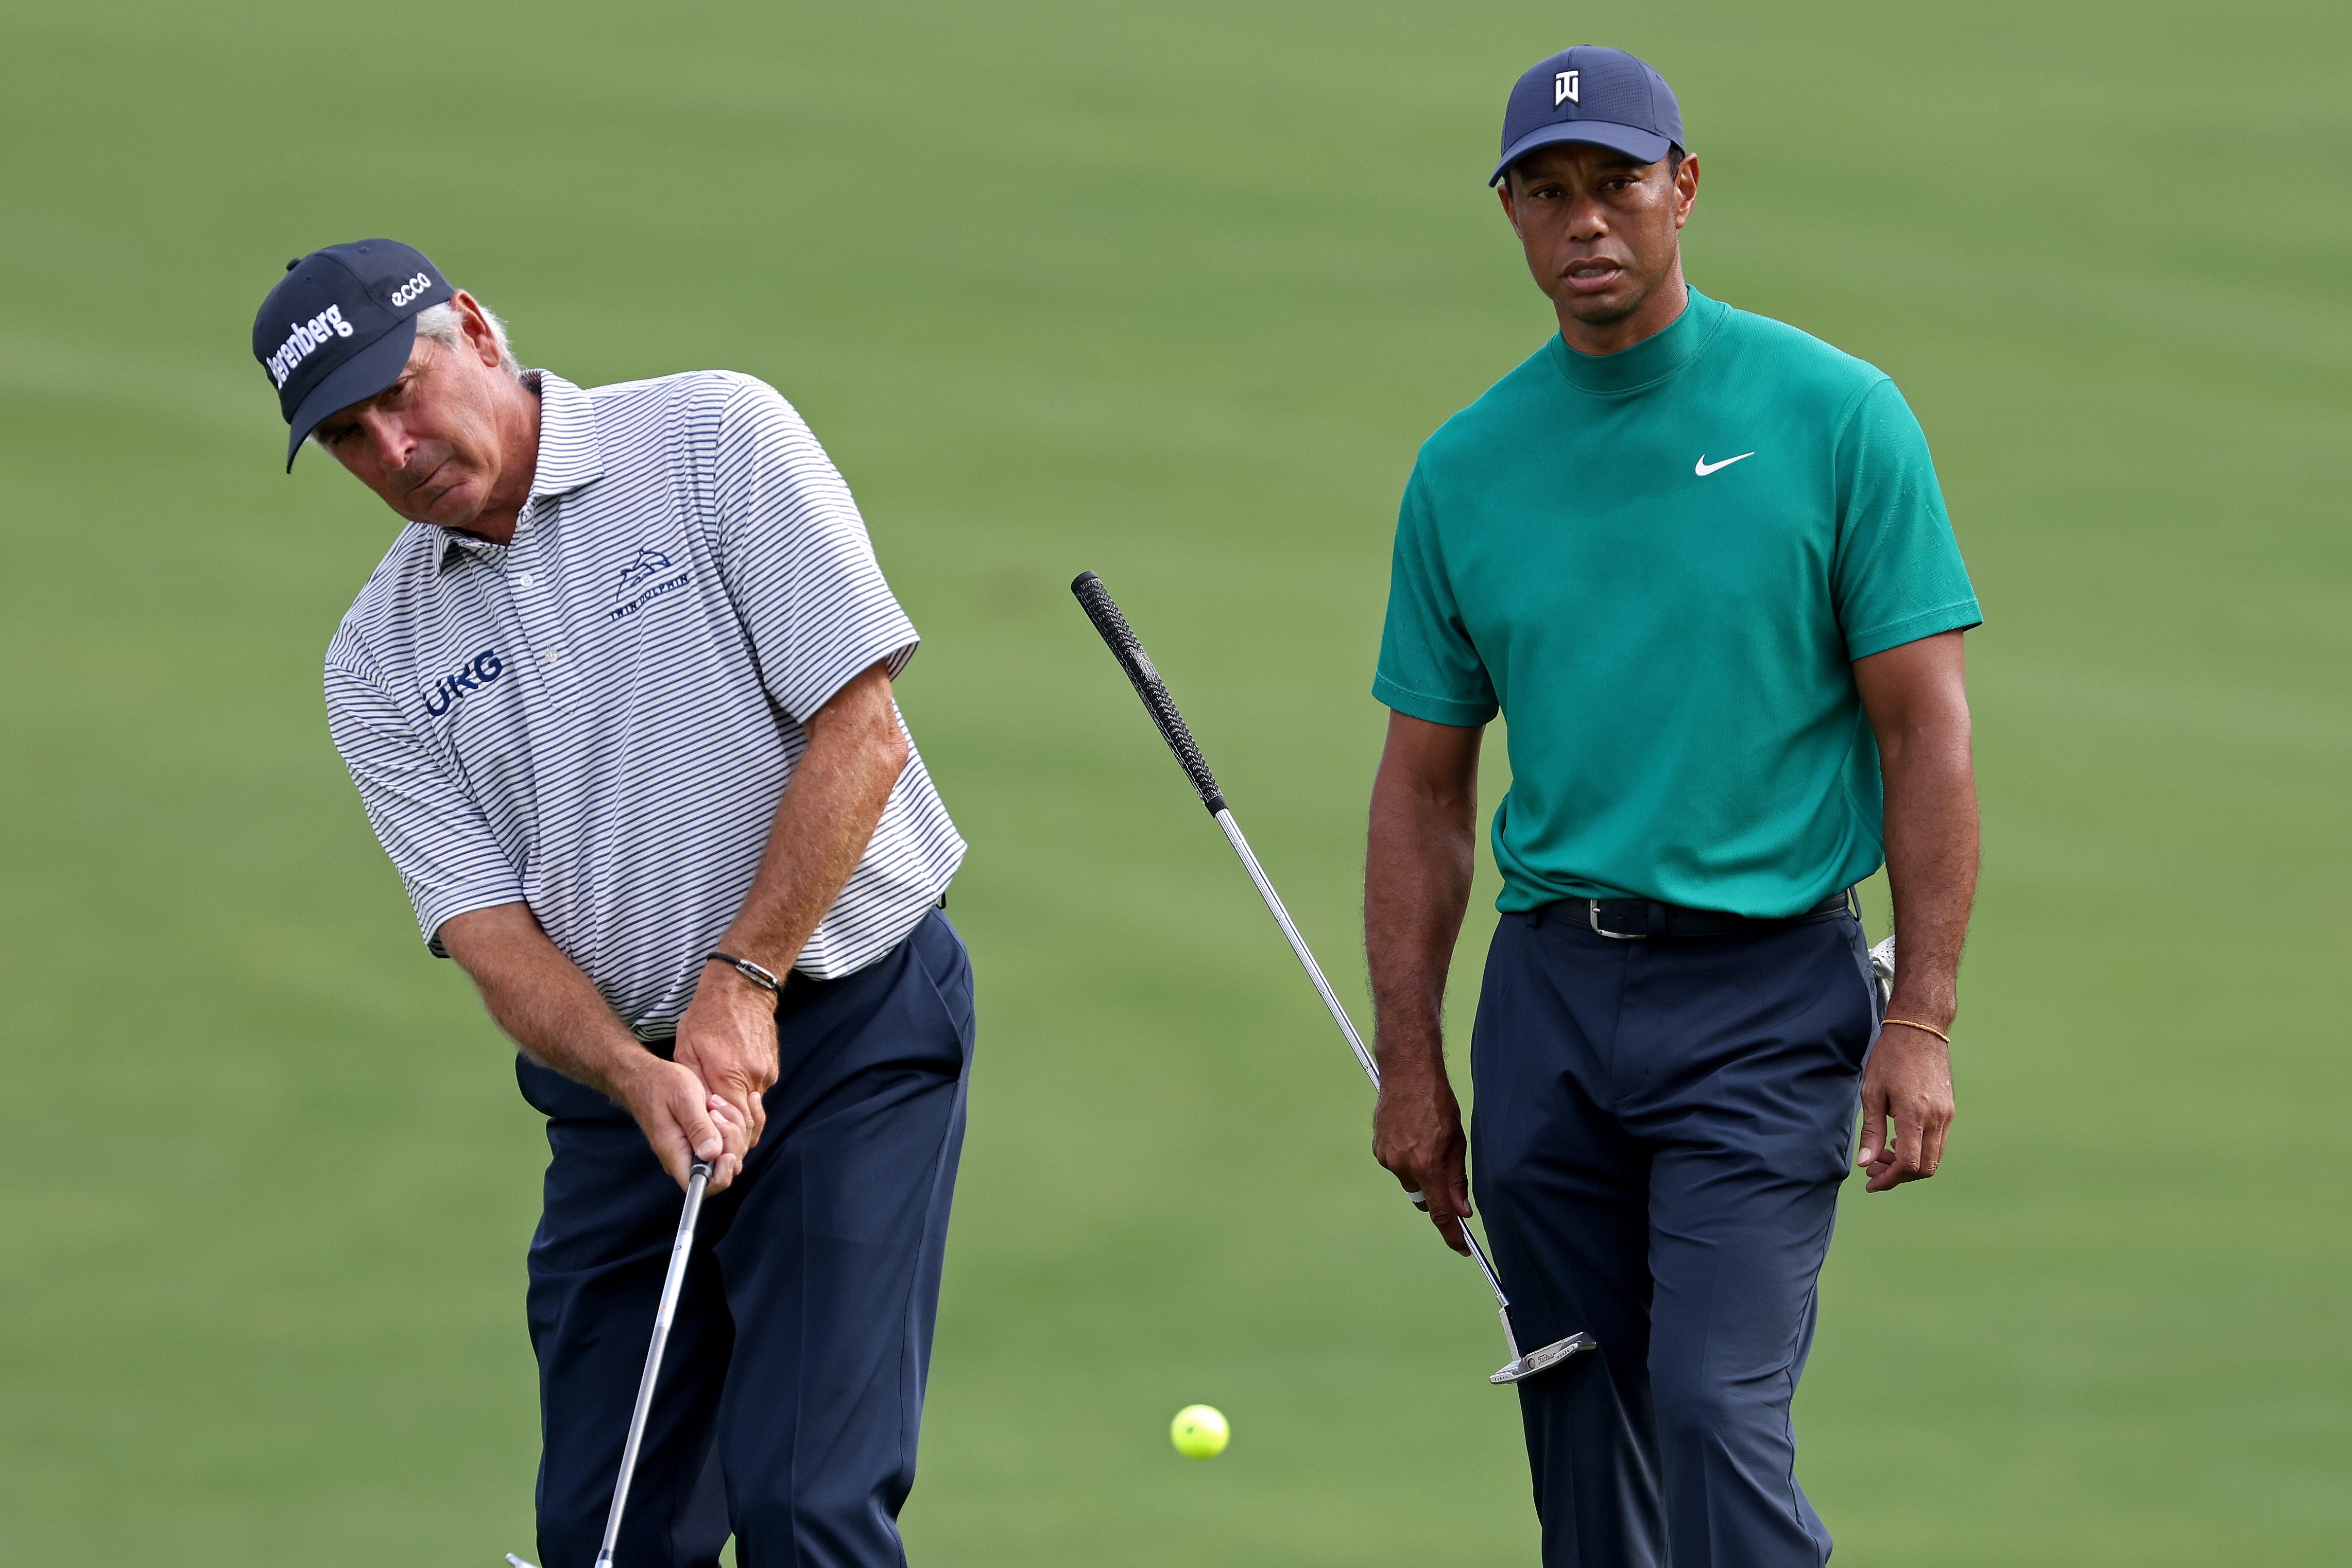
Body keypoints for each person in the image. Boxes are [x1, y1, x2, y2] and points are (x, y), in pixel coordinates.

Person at [251, 239, 972, 1567]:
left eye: (400, 393)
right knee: (602, 1533)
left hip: (846, 1033)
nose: (394, 449)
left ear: (475, 330)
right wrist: (635, 1080)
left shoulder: (709, 438)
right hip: (615, 1095)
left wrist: (744, 980)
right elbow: (484, 931)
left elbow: (862, 733)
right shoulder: (377, 657)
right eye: (349, 436)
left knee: (808, 1505)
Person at [1363, 47, 1981, 1567]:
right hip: (1552, 1002)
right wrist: (1410, 1060)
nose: (1586, 221)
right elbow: (1424, 787)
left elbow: (1926, 734)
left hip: (1767, 998)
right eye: (1547, 192)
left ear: (1683, 189)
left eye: (1618, 184)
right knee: (1586, 1446)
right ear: (1512, 214)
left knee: (1712, 1409)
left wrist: (1923, 1019)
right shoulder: (1465, 469)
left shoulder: (1837, 417)